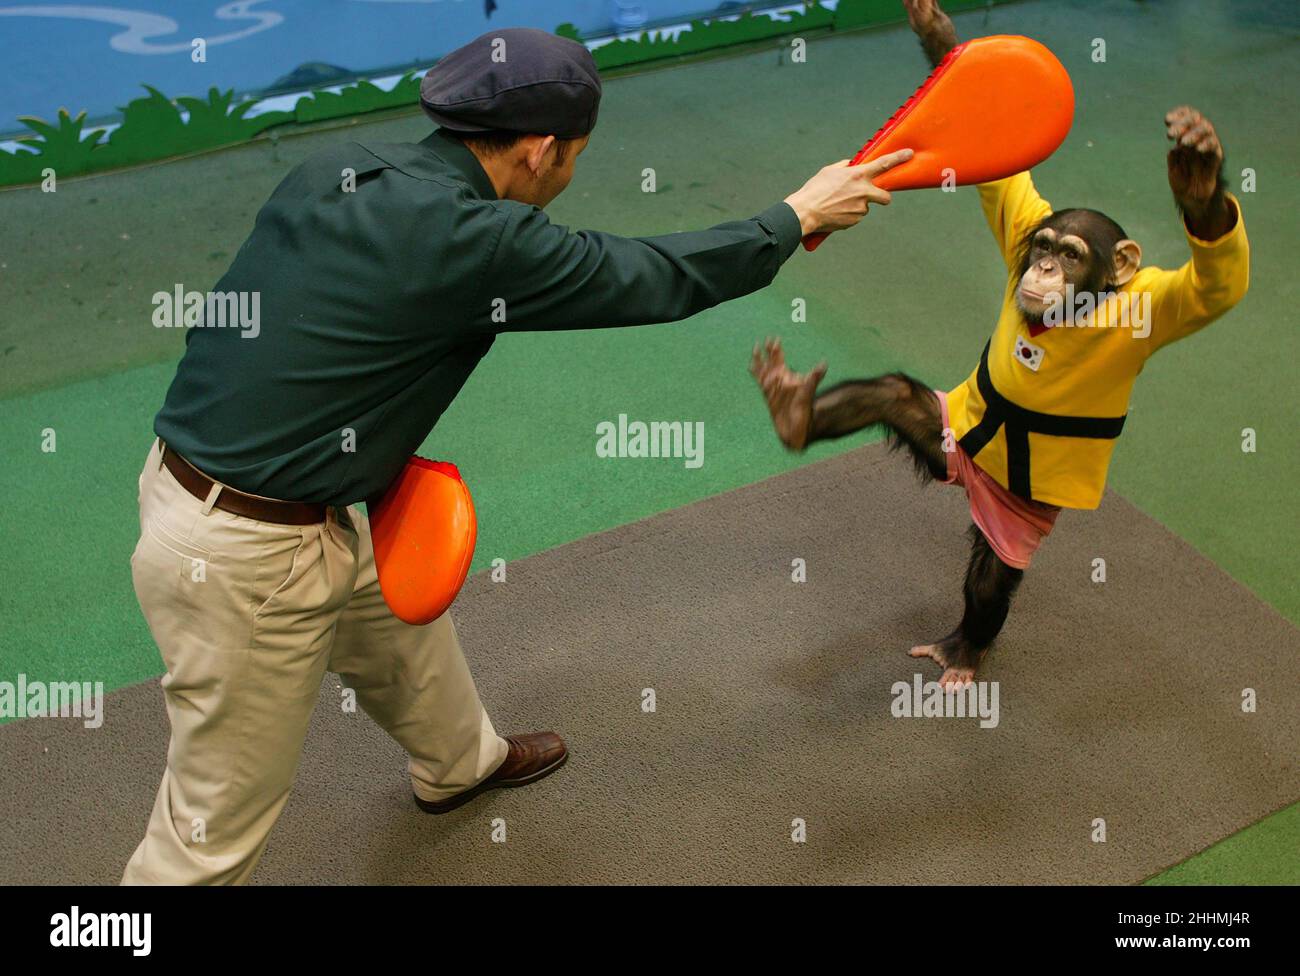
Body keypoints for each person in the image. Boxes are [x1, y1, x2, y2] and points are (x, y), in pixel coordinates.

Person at [124, 27, 911, 884]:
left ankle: (459, 763)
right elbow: (655, 277)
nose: (571, 175)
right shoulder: (483, 241)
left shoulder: (332, 170)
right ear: (540, 152)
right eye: (575, 156)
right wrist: (797, 215)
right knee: (210, 830)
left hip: (201, 482)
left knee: (395, 633)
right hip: (250, 556)